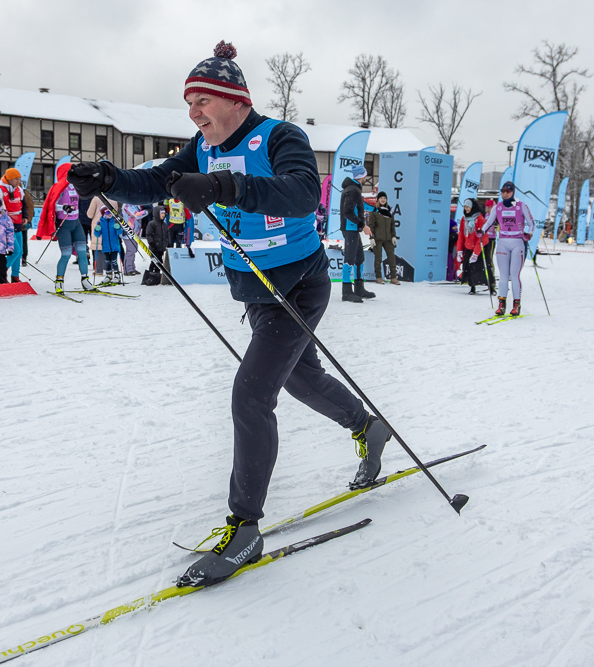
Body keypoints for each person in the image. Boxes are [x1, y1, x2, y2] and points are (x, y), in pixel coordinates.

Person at [67, 41, 389, 587]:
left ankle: (245, 530)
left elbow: (301, 193)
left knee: (252, 394)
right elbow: (157, 181)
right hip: (256, 291)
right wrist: (108, 178)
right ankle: (367, 427)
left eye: (202, 101)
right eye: (189, 104)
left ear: (235, 100)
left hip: (299, 284)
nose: (194, 113)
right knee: (300, 378)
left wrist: (222, 186)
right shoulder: (201, 146)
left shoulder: (279, 136)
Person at [40, 163, 93, 294]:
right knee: (66, 254)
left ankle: (85, 280)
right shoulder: (59, 187)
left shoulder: (77, 186)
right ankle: (59, 281)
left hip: (76, 223)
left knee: (82, 253)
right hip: (64, 225)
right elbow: (52, 204)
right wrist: (63, 207)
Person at [484, 181, 533, 317]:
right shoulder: (497, 207)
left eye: (508, 191)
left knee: (514, 275)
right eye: (503, 191)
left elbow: (532, 224)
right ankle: (501, 304)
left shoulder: (521, 206)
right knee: (503, 276)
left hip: (517, 242)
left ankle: (516, 304)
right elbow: (488, 222)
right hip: (503, 242)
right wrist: (481, 231)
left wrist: (529, 234)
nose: (505, 194)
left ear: (513, 192)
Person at [338, 164, 374, 302]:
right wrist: (362, 225)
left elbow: (359, 206)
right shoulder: (353, 190)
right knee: (350, 259)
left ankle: (359, 288)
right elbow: (347, 212)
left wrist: (377, 209)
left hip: (353, 229)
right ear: (362, 176)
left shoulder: (354, 189)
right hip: (350, 228)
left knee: (359, 258)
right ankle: (346, 292)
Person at [0, 168, 28, 283]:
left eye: (19, 179)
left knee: (20, 252)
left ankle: (15, 276)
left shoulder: (19, 189)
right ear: (9, 179)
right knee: (15, 250)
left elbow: (23, 204)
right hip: (6, 226)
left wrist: (25, 216)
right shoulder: (0, 190)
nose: (18, 181)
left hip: (18, 224)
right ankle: (0, 271)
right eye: (16, 179)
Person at [455, 199, 490, 295]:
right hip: (468, 247)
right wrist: (459, 250)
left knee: (482, 268)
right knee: (468, 267)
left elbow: (482, 237)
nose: (466, 209)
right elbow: (461, 235)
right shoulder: (464, 219)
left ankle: (490, 286)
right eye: (465, 207)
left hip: (480, 247)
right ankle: (472, 286)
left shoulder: (480, 219)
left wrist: (476, 253)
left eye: (468, 207)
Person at [369, 191, 399, 285]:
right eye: (381, 198)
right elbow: (371, 226)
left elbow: (392, 225)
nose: (383, 200)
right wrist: (371, 237)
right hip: (377, 239)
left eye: (384, 198)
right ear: (378, 200)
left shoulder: (389, 211)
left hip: (388, 239)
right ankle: (378, 277)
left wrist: (393, 236)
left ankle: (393, 277)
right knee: (378, 258)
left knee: (391, 258)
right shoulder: (375, 211)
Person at [93, 202, 123, 285]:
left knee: (114, 261)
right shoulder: (101, 222)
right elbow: (97, 234)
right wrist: (97, 229)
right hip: (105, 246)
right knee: (107, 261)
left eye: (110, 212)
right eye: (107, 213)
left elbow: (119, 233)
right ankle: (108, 275)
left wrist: (118, 228)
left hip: (114, 246)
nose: (109, 214)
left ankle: (116, 275)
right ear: (103, 214)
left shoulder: (114, 221)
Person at [141, 206, 168, 285]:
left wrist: (167, 244)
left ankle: (156, 275)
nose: (163, 215)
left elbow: (166, 236)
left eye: (164, 213)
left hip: (161, 247)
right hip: (154, 247)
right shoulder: (152, 224)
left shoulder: (164, 225)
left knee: (159, 261)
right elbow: (148, 234)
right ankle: (151, 276)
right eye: (161, 213)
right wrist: (151, 243)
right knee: (154, 262)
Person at [120, 204, 147, 275]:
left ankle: (132, 268)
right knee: (130, 250)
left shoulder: (136, 204)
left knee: (134, 250)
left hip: (135, 232)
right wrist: (146, 211)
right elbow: (136, 214)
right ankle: (127, 269)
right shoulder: (128, 205)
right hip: (128, 232)